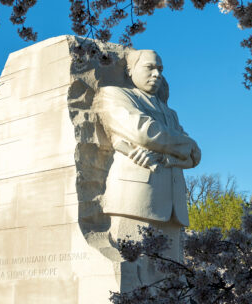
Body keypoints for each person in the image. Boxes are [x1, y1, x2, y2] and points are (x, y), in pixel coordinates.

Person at [93, 49, 200, 291]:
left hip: (172, 209)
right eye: (149, 67)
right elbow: (144, 131)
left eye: (160, 69)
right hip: (135, 201)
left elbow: (195, 155)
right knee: (134, 279)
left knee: (171, 283)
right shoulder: (115, 94)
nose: (157, 74)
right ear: (130, 71)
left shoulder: (170, 114)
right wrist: (182, 146)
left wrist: (169, 155)